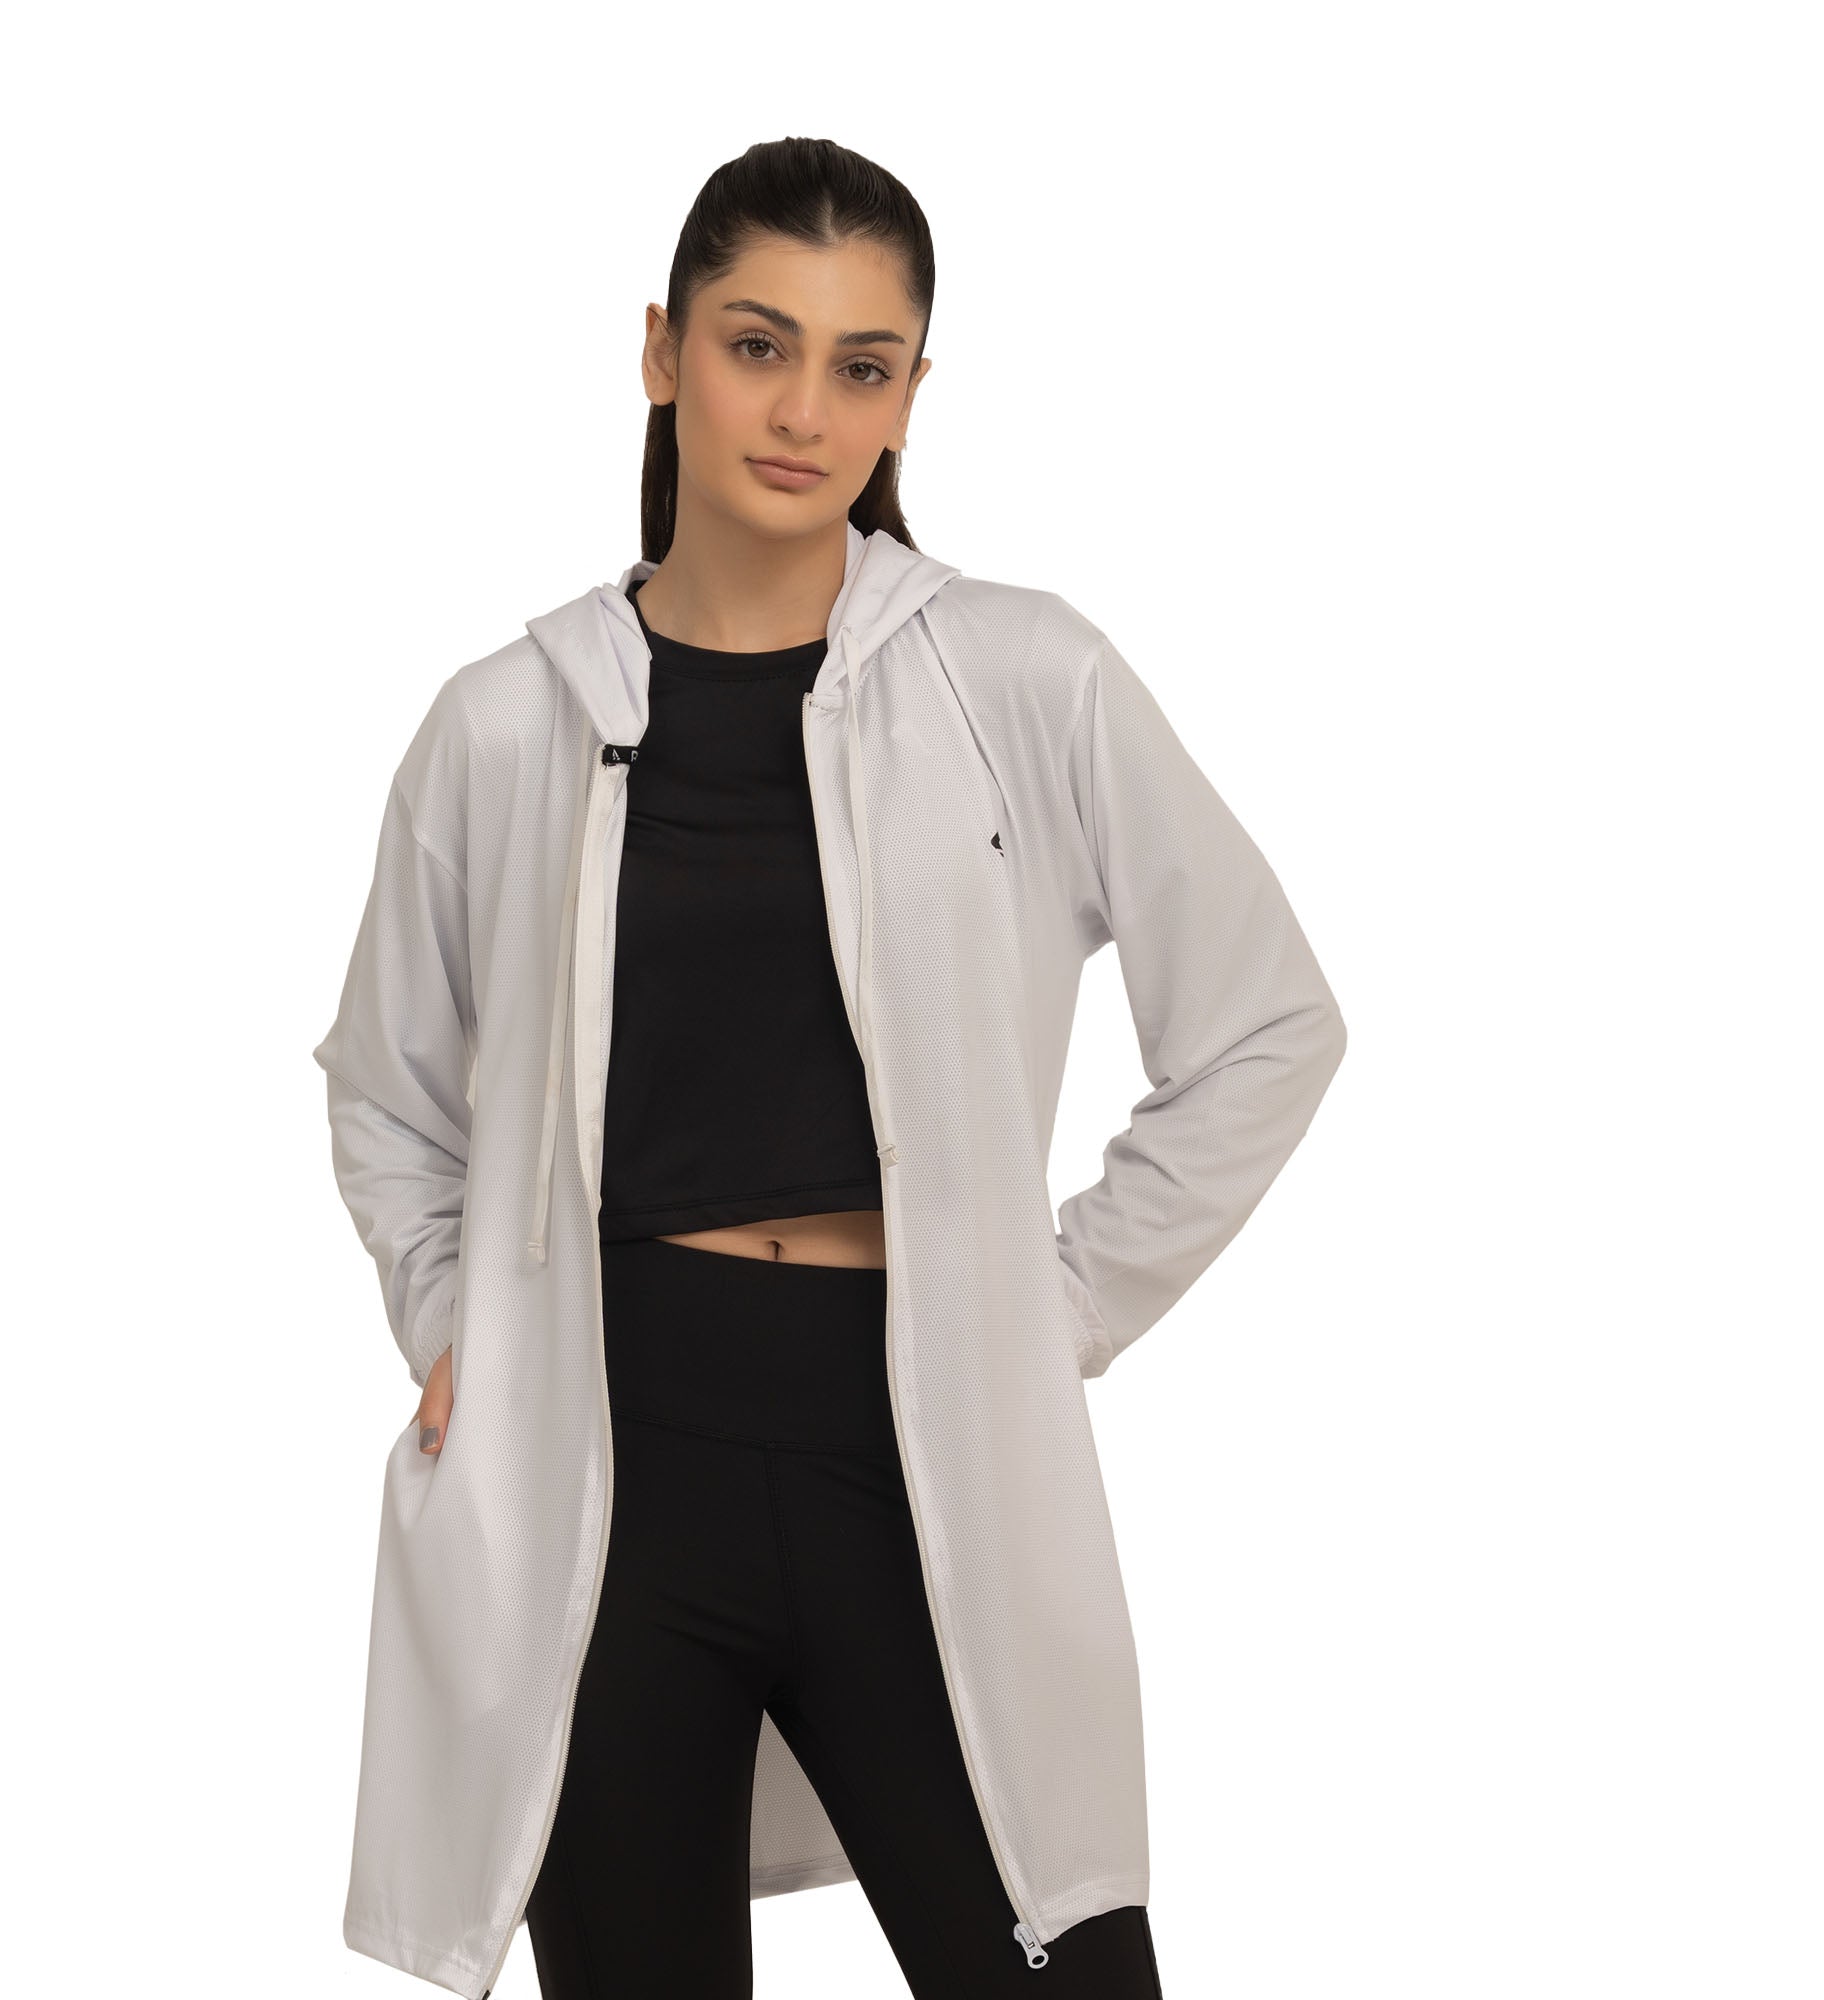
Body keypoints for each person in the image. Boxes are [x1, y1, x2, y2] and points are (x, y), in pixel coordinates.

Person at [312, 136, 1346, 2000]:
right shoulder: (508, 724)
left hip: (919, 1445)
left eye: (860, 366)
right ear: (663, 351)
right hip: (614, 1464)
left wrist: (1056, 1301)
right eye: (756, 345)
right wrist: (446, 1315)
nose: (803, 412)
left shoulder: (1020, 680)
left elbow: (1268, 1021)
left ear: (910, 395)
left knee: (1061, 1955)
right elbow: (387, 1084)